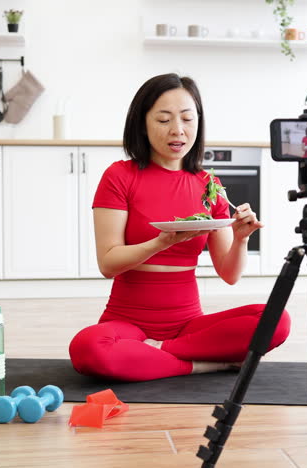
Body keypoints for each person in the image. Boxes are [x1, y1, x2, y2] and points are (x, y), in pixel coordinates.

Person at [69, 73, 291, 382]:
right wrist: (161, 243)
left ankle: (155, 353)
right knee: (88, 349)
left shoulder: (208, 185)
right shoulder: (119, 176)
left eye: (188, 119)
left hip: (187, 324)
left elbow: (229, 274)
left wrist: (240, 239)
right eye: (163, 120)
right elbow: (108, 264)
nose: (178, 130)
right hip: (127, 322)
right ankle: (203, 364)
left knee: (276, 320)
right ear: (142, 123)